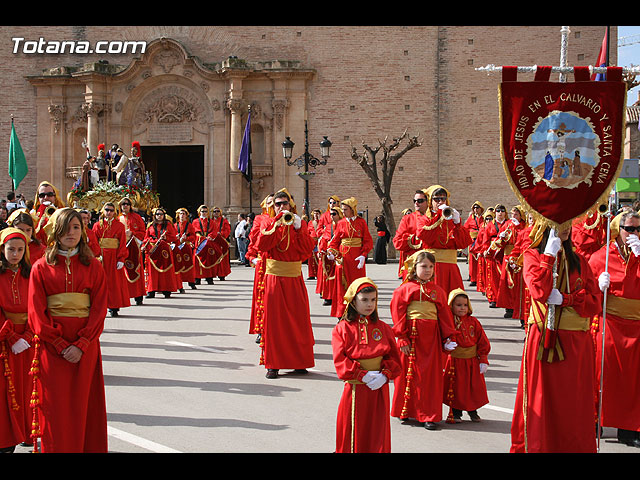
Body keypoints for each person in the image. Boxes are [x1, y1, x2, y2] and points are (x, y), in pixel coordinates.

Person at [510, 221, 600, 453]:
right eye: (560, 224)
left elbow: (595, 304)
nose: (566, 229)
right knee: (542, 399)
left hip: (576, 342)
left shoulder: (579, 261)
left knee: (574, 402)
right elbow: (539, 290)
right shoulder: (531, 255)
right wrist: (548, 255)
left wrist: (569, 300)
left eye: (568, 224)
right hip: (543, 339)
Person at [28, 208, 109, 453]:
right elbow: (35, 312)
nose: (71, 233)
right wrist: (61, 345)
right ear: (55, 232)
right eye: (65, 228)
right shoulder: (40, 267)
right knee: (55, 408)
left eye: (76, 227)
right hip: (53, 350)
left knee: (85, 405)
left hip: (85, 349)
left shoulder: (94, 266)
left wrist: (82, 344)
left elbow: (99, 308)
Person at [331, 277, 402, 453]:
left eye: (373, 300)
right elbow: (340, 359)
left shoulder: (384, 328)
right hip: (356, 388)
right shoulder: (342, 329)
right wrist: (361, 375)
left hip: (379, 387)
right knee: (354, 425)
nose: (369, 305)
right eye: (364, 300)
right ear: (353, 301)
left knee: (377, 427)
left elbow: (393, 356)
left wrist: (385, 374)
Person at [390, 250, 457, 430]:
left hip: (432, 338)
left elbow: (444, 316)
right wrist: (401, 337)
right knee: (408, 373)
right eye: (423, 266)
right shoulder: (404, 289)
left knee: (430, 376)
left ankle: (428, 414)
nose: (427, 270)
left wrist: (448, 337)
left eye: (430, 267)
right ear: (414, 267)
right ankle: (406, 410)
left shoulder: (438, 291)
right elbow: (398, 314)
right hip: (412, 337)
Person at [589, 211, 640, 448]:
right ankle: (595, 420)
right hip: (610, 322)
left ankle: (629, 427)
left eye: (638, 229)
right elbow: (587, 292)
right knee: (603, 374)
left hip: (637, 326)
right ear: (618, 229)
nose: (634, 233)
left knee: (633, 380)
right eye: (629, 229)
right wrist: (599, 286)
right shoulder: (602, 257)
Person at [254, 188, 315, 379]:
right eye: (278, 204)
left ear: (291, 205)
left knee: (298, 320)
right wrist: (274, 225)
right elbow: (261, 245)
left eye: (284, 203)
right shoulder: (268, 223)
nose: (281, 207)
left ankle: (299, 362)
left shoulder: (299, 224)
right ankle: (273, 364)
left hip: (294, 277)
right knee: (275, 323)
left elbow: (306, 251)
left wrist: (298, 228)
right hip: (274, 278)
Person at [0, 228, 33, 452]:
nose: (16, 254)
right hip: (3, 338)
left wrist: (29, 334)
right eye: (11, 249)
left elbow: (38, 306)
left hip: (27, 340)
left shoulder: (30, 275)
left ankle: (23, 433)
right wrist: (10, 336)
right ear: (2, 249)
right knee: (5, 392)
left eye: (20, 250)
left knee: (26, 390)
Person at [443, 288, 490, 423]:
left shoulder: (473, 322)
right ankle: (456, 413)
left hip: (472, 361)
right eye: (458, 305)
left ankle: (472, 410)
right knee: (457, 387)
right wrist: (445, 345)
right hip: (455, 361)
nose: (462, 308)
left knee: (472, 387)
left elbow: (482, 341)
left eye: (465, 305)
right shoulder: (449, 322)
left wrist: (483, 359)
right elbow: (442, 337)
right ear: (451, 306)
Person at [415, 185, 472, 295]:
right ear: (431, 201)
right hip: (433, 266)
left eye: (443, 199)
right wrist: (438, 217)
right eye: (436, 199)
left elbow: (464, 242)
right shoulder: (424, 219)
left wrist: (457, 224)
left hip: (451, 267)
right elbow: (425, 235)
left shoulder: (450, 219)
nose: (440, 202)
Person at [327, 197, 373, 319]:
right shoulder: (341, 223)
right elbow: (335, 241)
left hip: (357, 258)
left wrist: (363, 255)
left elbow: (368, 241)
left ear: (352, 209)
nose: (343, 212)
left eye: (345, 209)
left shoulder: (361, 222)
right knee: (342, 286)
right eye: (342, 209)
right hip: (343, 258)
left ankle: (358, 312)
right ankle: (342, 313)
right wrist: (332, 252)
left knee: (357, 285)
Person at [93, 202, 130, 317]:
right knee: (101, 282)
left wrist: (121, 258)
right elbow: (94, 242)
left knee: (114, 282)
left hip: (114, 257)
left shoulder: (119, 226)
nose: (108, 212)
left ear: (114, 212)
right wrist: (97, 255)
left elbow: (122, 242)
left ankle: (114, 306)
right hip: (102, 256)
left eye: (111, 210)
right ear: (103, 211)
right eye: (107, 210)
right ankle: (100, 305)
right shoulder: (96, 226)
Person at [246, 195, 274, 340]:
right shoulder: (259, 219)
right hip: (263, 264)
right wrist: (252, 257)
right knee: (262, 298)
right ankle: (261, 330)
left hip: (278, 265)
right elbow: (254, 239)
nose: (272, 205)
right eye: (269, 202)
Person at [493, 206, 526, 318]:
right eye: (512, 214)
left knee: (517, 284)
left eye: (516, 214)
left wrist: (517, 227)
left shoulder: (523, 226)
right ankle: (509, 307)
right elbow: (499, 242)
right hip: (507, 256)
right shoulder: (507, 225)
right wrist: (501, 238)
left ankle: (518, 307)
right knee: (507, 283)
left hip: (519, 256)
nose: (513, 217)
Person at [142, 207, 178, 298]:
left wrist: (166, 238)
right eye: (157, 214)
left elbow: (174, 237)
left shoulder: (168, 225)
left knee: (166, 270)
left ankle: (166, 290)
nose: (159, 216)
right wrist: (149, 242)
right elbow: (146, 238)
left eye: (161, 214)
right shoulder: (150, 225)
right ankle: (151, 290)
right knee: (152, 271)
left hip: (164, 250)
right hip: (153, 250)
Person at [393, 190, 429, 280]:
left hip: (432, 265)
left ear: (428, 201)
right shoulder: (407, 219)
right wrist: (415, 239)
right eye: (415, 201)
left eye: (420, 201)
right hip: (413, 264)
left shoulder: (436, 218)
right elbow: (397, 242)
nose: (416, 203)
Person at [118, 198, 147, 304]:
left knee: (136, 269)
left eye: (127, 204)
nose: (125, 206)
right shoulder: (118, 218)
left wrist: (132, 233)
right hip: (123, 247)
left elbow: (143, 232)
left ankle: (138, 295)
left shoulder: (136, 217)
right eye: (123, 204)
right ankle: (126, 294)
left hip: (134, 247)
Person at [481, 204, 509, 308]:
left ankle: (504, 299)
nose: (500, 213)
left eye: (502, 211)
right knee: (493, 277)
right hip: (493, 252)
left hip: (504, 252)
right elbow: (485, 240)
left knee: (505, 278)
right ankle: (493, 298)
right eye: (498, 211)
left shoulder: (508, 224)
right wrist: (485, 250)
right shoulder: (490, 225)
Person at [317, 207, 343, 307]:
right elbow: (323, 239)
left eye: (334, 214)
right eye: (331, 214)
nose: (331, 216)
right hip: (328, 254)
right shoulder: (328, 227)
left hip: (339, 254)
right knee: (327, 277)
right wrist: (321, 251)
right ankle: (328, 297)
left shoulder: (343, 225)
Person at [174, 208, 197, 291]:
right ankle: (179, 286)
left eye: (184, 214)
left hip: (186, 247)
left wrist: (186, 238)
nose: (182, 215)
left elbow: (193, 237)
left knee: (189, 265)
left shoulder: (189, 225)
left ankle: (191, 282)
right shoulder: (174, 225)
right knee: (178, 266)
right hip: (177, 247)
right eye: (180, 214)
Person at [192, 205, 216, 285]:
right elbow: (194, 231)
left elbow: (213, 231)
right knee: (196, 261)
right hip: (198, 242)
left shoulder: (211, 222)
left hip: (207, 242)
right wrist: (199, 237)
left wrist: (209, 237)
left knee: (208, 260)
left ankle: (209, 278)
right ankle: (197, 278)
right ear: (199, 212)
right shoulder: (195, 221)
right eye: (203, 211)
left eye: (206, 211)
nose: (204, 213)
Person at [463, 201, 485, 286]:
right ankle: (473, 279)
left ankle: (480, 279)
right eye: (474, 208)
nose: (476, 209)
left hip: (481, 241)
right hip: (472, 241)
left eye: (477, 208)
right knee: (472, 260)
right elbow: (465, 228)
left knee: (480, 260)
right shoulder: (470, 218)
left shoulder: (483, 218)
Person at [210, 206, 232, 281]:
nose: (216, 213)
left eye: (217, 211)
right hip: (213, 241)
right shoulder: (210, 221)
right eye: (214, 211)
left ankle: (222, 274)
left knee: (222, 259)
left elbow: (228, 230)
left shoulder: (224, 221)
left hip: (221, 240)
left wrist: (221, 233)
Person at [307, 209, 322, 280]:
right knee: (311, 259)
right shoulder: (310, 222)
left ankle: (319, 274)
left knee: (318, 258)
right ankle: (311, 274)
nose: (316, 215)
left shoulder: (321, 222)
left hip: (319, 241)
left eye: (317, 214)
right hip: (312, 242)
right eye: (315, 214)